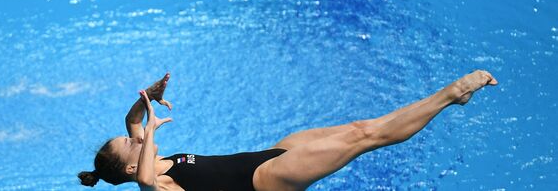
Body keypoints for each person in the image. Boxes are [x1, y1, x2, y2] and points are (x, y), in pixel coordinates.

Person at [78, 70, 497, 190]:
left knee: (358, 126)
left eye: (134, 137)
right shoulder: (153, 184)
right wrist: (152, 130)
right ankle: (451, 94)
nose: (136, 137)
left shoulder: (143, 157)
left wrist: (147, 98)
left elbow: (133, 122)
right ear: (130, 170)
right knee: (364, 139)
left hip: (269, 155)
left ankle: (449, 97)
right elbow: (148, 178)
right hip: (267, 182)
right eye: (131, 145)